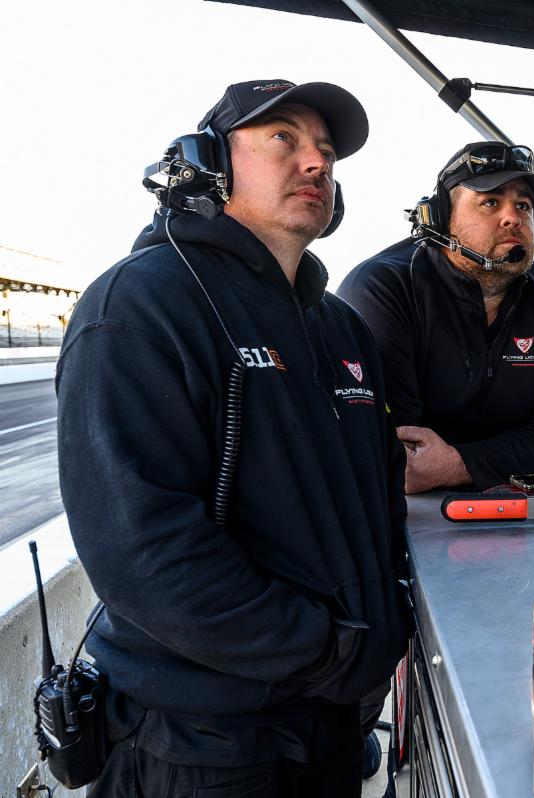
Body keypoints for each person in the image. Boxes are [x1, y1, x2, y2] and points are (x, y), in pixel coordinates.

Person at [56, 79, 410, 796]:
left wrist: (381, 633)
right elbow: (143, 550)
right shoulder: (138, 305)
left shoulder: (341, 328)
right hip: (201, 743)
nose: (315, 161)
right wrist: (329, 649)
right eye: (284, 138)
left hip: (330, 719)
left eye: (326, 150)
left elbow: (374, 504)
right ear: (207, 161)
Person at [338, 141, 534, 493]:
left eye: (524, 205)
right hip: (404, 515)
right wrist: (509, 458)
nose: (513, 217)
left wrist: (455, 464)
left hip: (523, 516)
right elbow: (403, 453)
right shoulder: (382, 288)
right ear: (442, 217)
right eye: (490, 202)